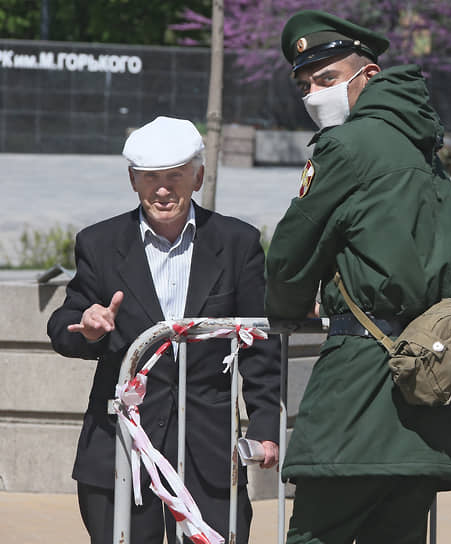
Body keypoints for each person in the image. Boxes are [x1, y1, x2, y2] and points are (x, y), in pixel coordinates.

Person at [265, 10, 451, 544]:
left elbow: (291, 256)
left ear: (371, 75)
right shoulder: (425, 150)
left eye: (327, 78)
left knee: (316, 531)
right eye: (304, 84)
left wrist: (290, 305)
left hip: (363, 380)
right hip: (429, 377)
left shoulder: (348, 145)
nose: (314, 93)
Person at [47, 116, 281, 544]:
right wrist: (90, 329)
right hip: (121, 452)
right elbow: (64, 325)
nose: (163, 189)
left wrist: (265, 425)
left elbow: (260, 346)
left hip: (208, 455)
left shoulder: (237, 243)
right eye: (151, 177)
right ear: (132, 180)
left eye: (176, 176)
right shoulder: (99, 243)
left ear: (199, 177)